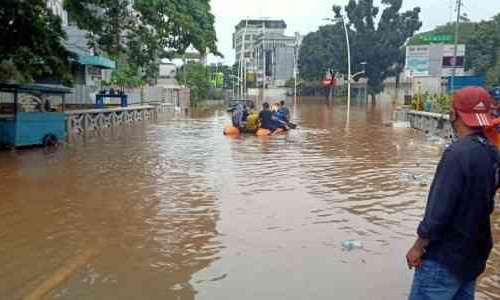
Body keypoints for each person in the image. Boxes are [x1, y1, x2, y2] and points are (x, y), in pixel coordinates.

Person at [407, 86, 499, 300]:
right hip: (472, 258)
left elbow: (438, 213)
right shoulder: (492, 153)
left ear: (455, 114)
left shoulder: (456, 155)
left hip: (443, 259)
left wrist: (418, 247)